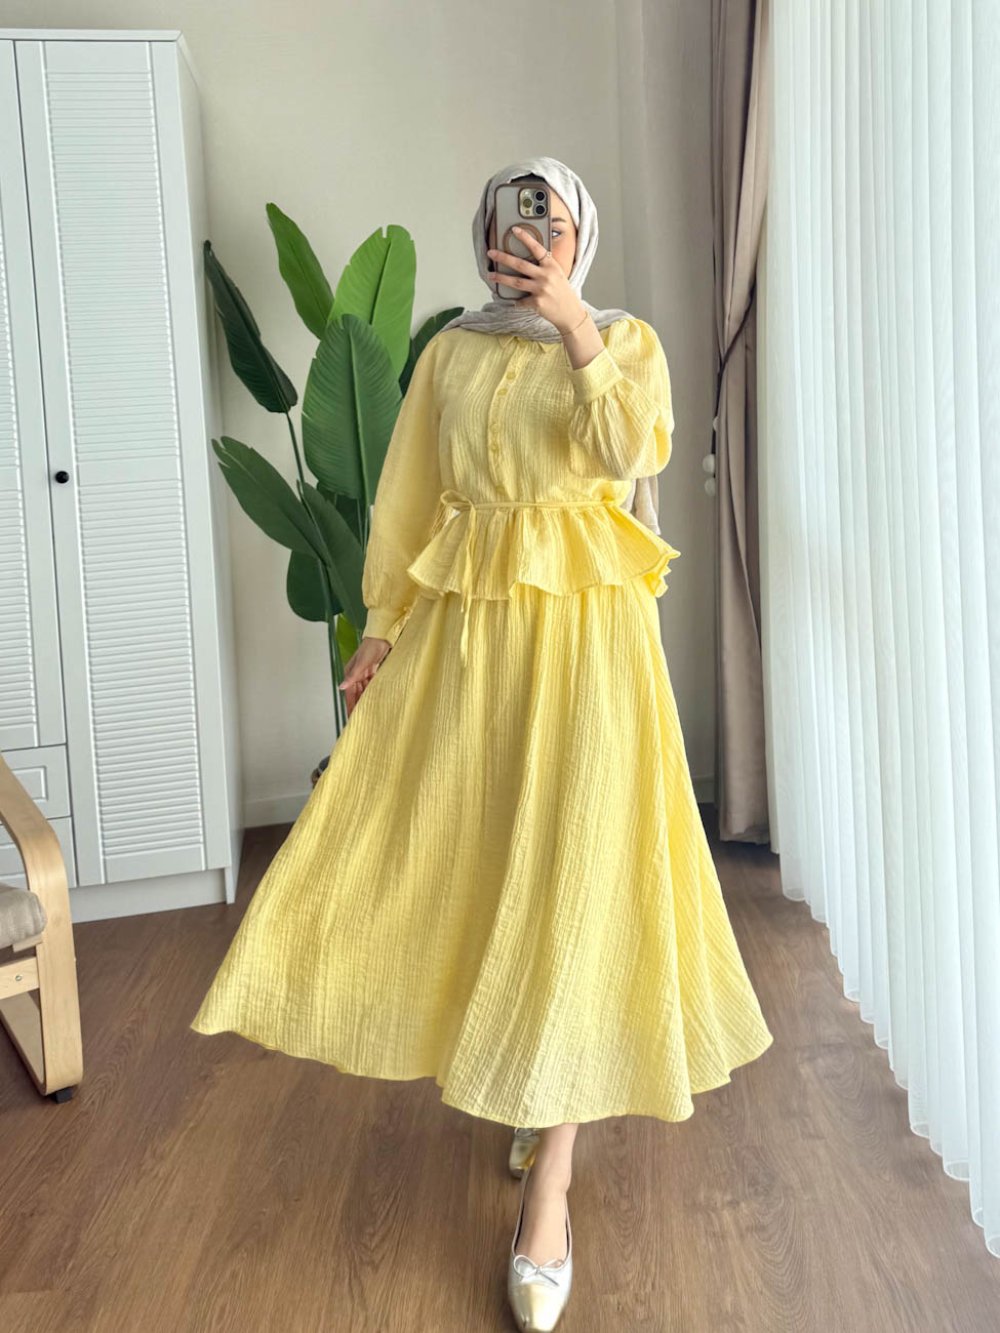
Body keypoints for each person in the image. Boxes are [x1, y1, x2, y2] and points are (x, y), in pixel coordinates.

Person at [190, 155, 774, 1333]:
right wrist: (380, 629)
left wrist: (573, 324)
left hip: (591, 650)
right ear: (488, 231)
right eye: (518, 219)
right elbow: (411, 500)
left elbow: (631, 452)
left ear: (579, 233)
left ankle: (548, 1190)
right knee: (466, 858)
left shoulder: (625, 340)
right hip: (470, 647)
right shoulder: (450, 355)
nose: (533, 235)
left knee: (577, 877)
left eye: (552, 219)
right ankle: (528, 1066)